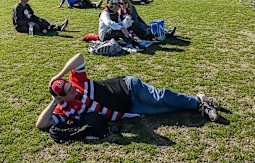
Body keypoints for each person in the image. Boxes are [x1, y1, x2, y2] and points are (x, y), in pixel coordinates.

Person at [36, 53, 219, 130]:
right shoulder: (63, 108)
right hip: (130, 108)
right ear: (61, 98)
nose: (73, 89)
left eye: (69, 85)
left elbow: (80, 57)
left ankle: (198, 102)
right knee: (167, 108)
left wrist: (59, 74)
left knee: (160, 97)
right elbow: (41, 125)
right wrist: (54, 103)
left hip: (129, 87)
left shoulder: (77, 81)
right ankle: (198, 100)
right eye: (68, 91)